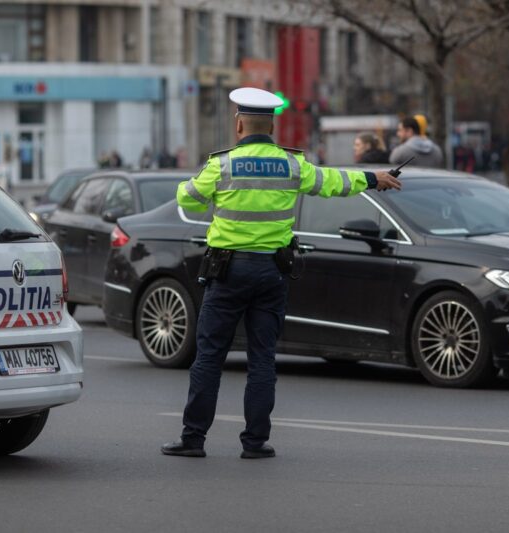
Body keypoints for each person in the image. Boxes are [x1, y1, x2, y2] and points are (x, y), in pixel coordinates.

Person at [161, 87, 401, 460]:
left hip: (227, 271)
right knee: (262, 358)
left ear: (239, 124)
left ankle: (194, 439)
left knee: (209, 355)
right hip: (271, 272)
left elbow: (186, 198)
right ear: (270, 127)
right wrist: (373, 178)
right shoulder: (292, 165)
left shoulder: (222, 165)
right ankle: (255, 443)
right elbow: (332, 182)